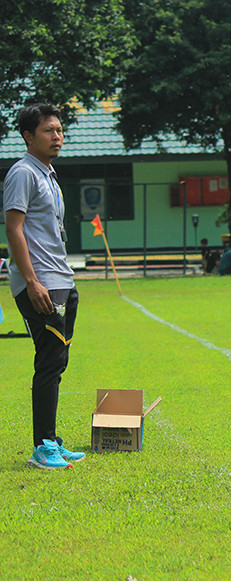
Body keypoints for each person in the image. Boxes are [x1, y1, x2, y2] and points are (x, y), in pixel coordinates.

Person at [4, 103, 87, 469]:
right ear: (28, 136)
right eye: (48, 131)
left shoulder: (48, 174)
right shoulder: (23, 173)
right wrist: (33, 282)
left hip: (60, 278)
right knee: (50, 361)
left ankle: (51, 438)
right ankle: (42, 447)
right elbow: (14, 229)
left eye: (59, 130)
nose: (57, 137)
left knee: (58, 359)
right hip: (41, 283)